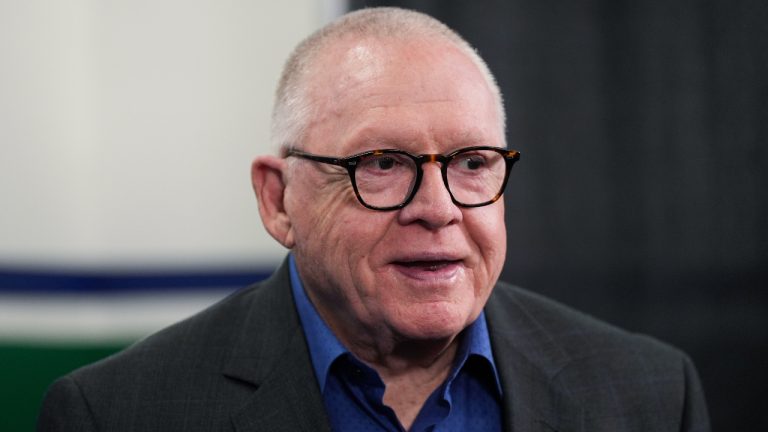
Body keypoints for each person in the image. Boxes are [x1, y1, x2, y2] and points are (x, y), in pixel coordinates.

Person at [38, 7, 710, 432]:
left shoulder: (648, 395)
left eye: (472, 162)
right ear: (279, 201)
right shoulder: (117, 414)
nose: (439, 208)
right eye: (383, 163)